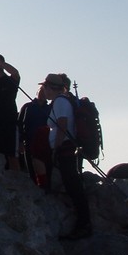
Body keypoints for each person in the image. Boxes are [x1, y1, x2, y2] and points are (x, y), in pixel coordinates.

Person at [44, 73, 92, 240]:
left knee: (74, 187)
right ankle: (83, 222)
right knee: (74, 185)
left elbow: (62, 125)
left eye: (45, 87)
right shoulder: (64, 100)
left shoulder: (59, 102)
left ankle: (84, 224)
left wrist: (55, 148)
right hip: (69, 148)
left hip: (65, 149)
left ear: (50, 87)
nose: (44, 90)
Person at [17, 84, 51, 189]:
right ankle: (35, 188)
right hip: (29, 142)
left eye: (44, 90)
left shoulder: (50, 108)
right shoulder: (28, 107)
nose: (41, 92)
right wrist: (20, 141)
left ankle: (45, 188)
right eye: (40, 90)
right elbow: (19, 124)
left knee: (46, 168)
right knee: (31, 169)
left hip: (45, 144)